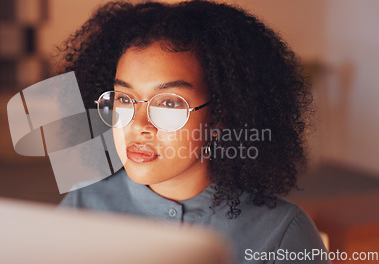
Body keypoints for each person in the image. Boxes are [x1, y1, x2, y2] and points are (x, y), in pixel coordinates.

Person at [58, 1, 330, 263]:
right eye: (125, 99)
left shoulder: (281, 234)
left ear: (221, 117)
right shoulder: (83, 204)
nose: (139, 125)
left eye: (168, 103)